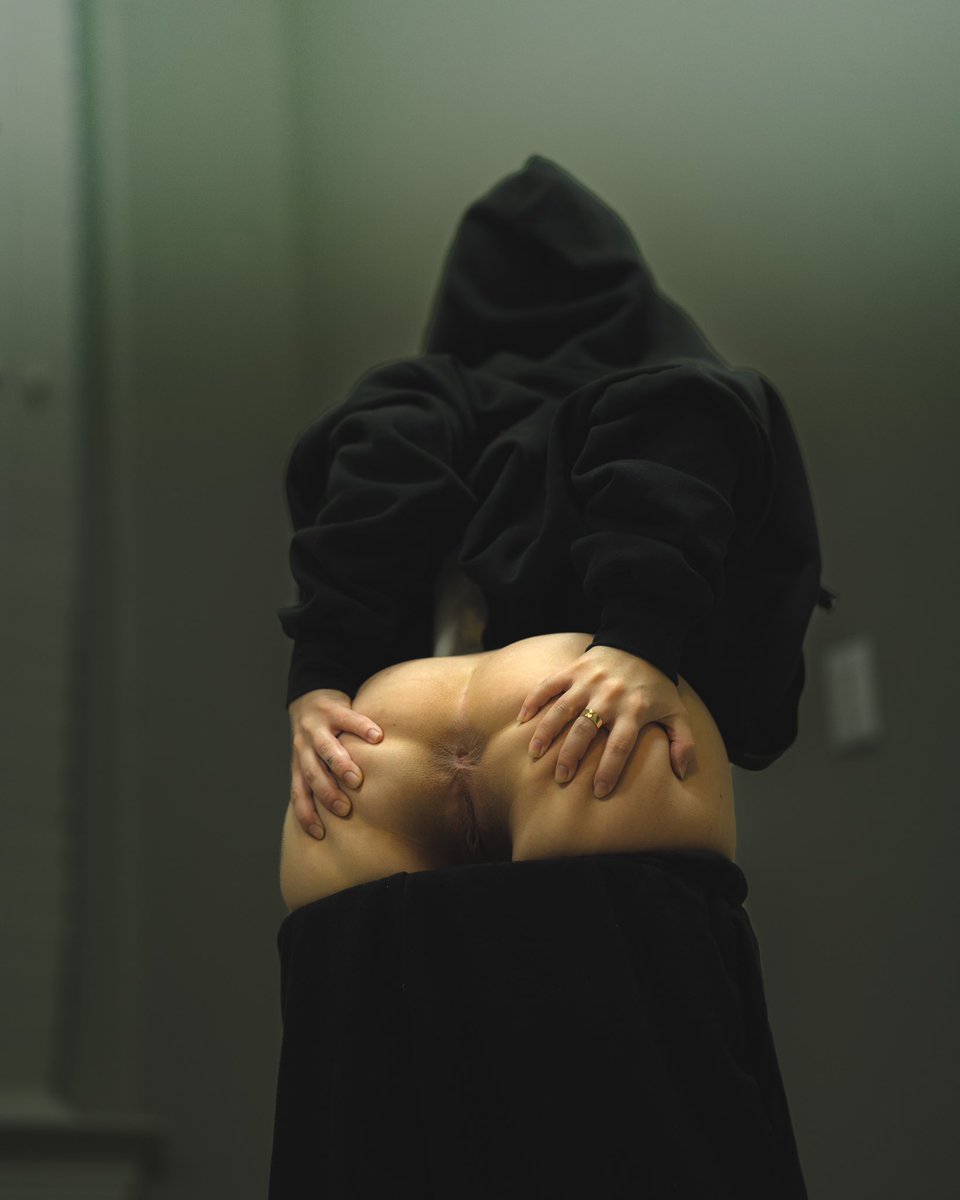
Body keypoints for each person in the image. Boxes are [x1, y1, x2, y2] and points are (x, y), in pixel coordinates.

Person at [268, 156, 831, 1198]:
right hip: (572, 719)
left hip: (376, 747)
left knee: (373, 1147)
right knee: (636, 1143)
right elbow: (685, 419)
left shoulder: (418, 395)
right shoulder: (650, 373)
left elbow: (372, 478)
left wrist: (318, 678)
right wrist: (642, 633)